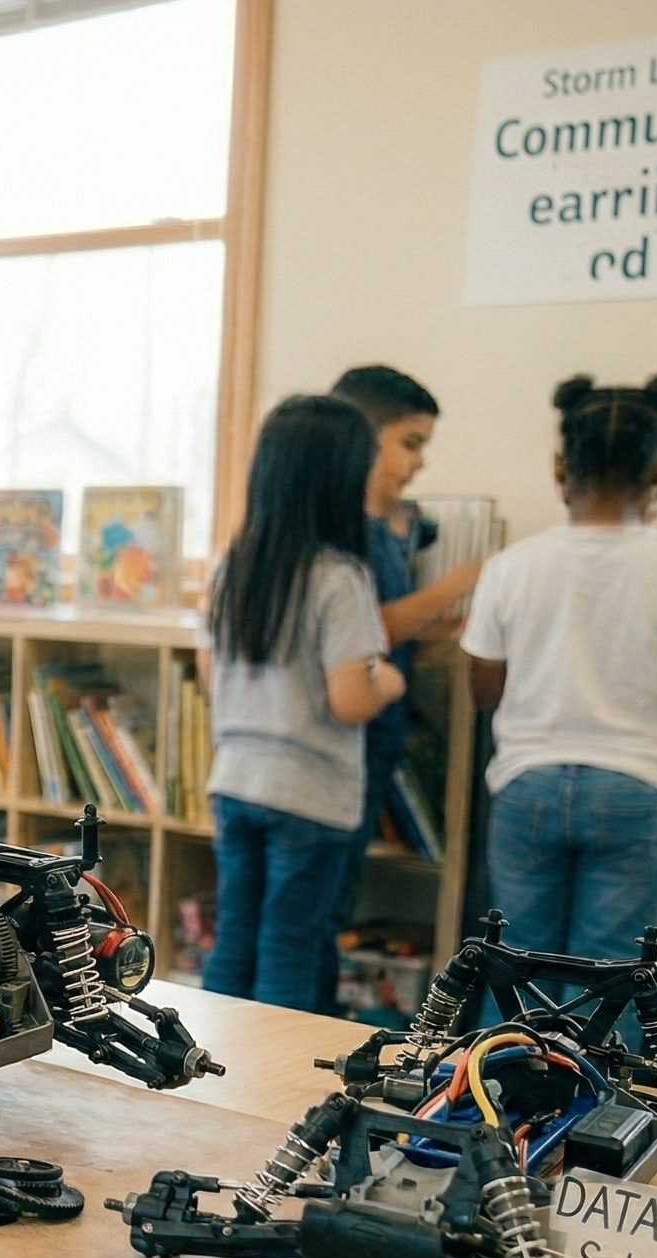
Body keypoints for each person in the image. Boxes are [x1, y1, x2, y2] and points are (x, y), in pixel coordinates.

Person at [462, 375, 657, 1042]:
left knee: (514, 968)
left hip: (527, 784)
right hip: (635, 788)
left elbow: (483, 691)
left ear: (561, 469)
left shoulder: (513, 566)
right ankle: (593, 1131)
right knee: (613, 976)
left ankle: (498, 1114)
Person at [200, 395, 404, 1009]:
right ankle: (268, 1089)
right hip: (310, 794)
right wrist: (389, 682)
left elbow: (214, 677)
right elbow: (350, 699)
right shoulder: (340, 575)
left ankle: (204, 1073)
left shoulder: (232, 566)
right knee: (291, 946)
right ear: (340, 479)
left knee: (234, 938)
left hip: (236, 782)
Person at [318, 365, 482, 1013]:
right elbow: (375, 629)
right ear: (364, 439)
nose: (418, 463)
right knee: (320, 911)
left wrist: (453, 623)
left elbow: (395, 623)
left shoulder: (387, 529)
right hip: (347, 745)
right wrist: (463, 580)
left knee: (337, 899)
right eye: (409, 443)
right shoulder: (343, 534)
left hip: (380, 742)